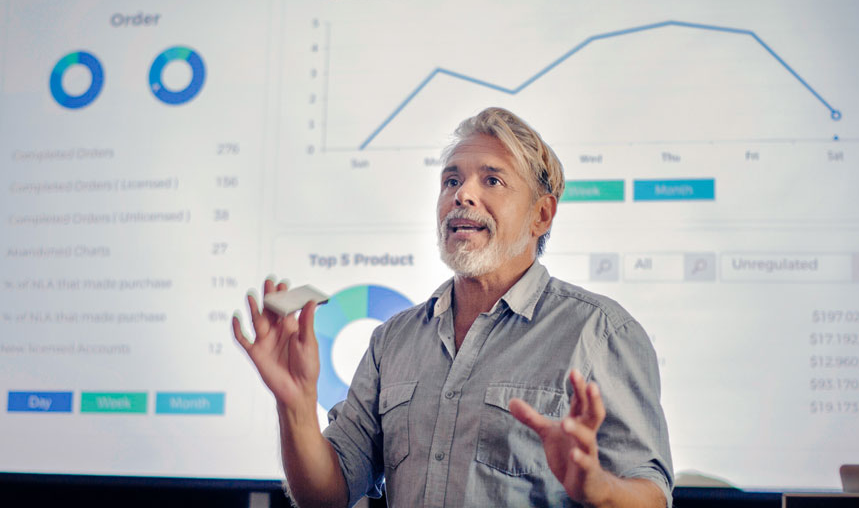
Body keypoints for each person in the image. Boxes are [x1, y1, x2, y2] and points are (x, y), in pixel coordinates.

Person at [233, 108, 672, 507]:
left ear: (541, 215)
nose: (463, 195)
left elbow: (651, 496)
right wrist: (295, 404)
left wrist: (596, 485)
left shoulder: (601, 332)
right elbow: (324, 496)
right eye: (451, 181)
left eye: (492, 180)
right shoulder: (393, 340)